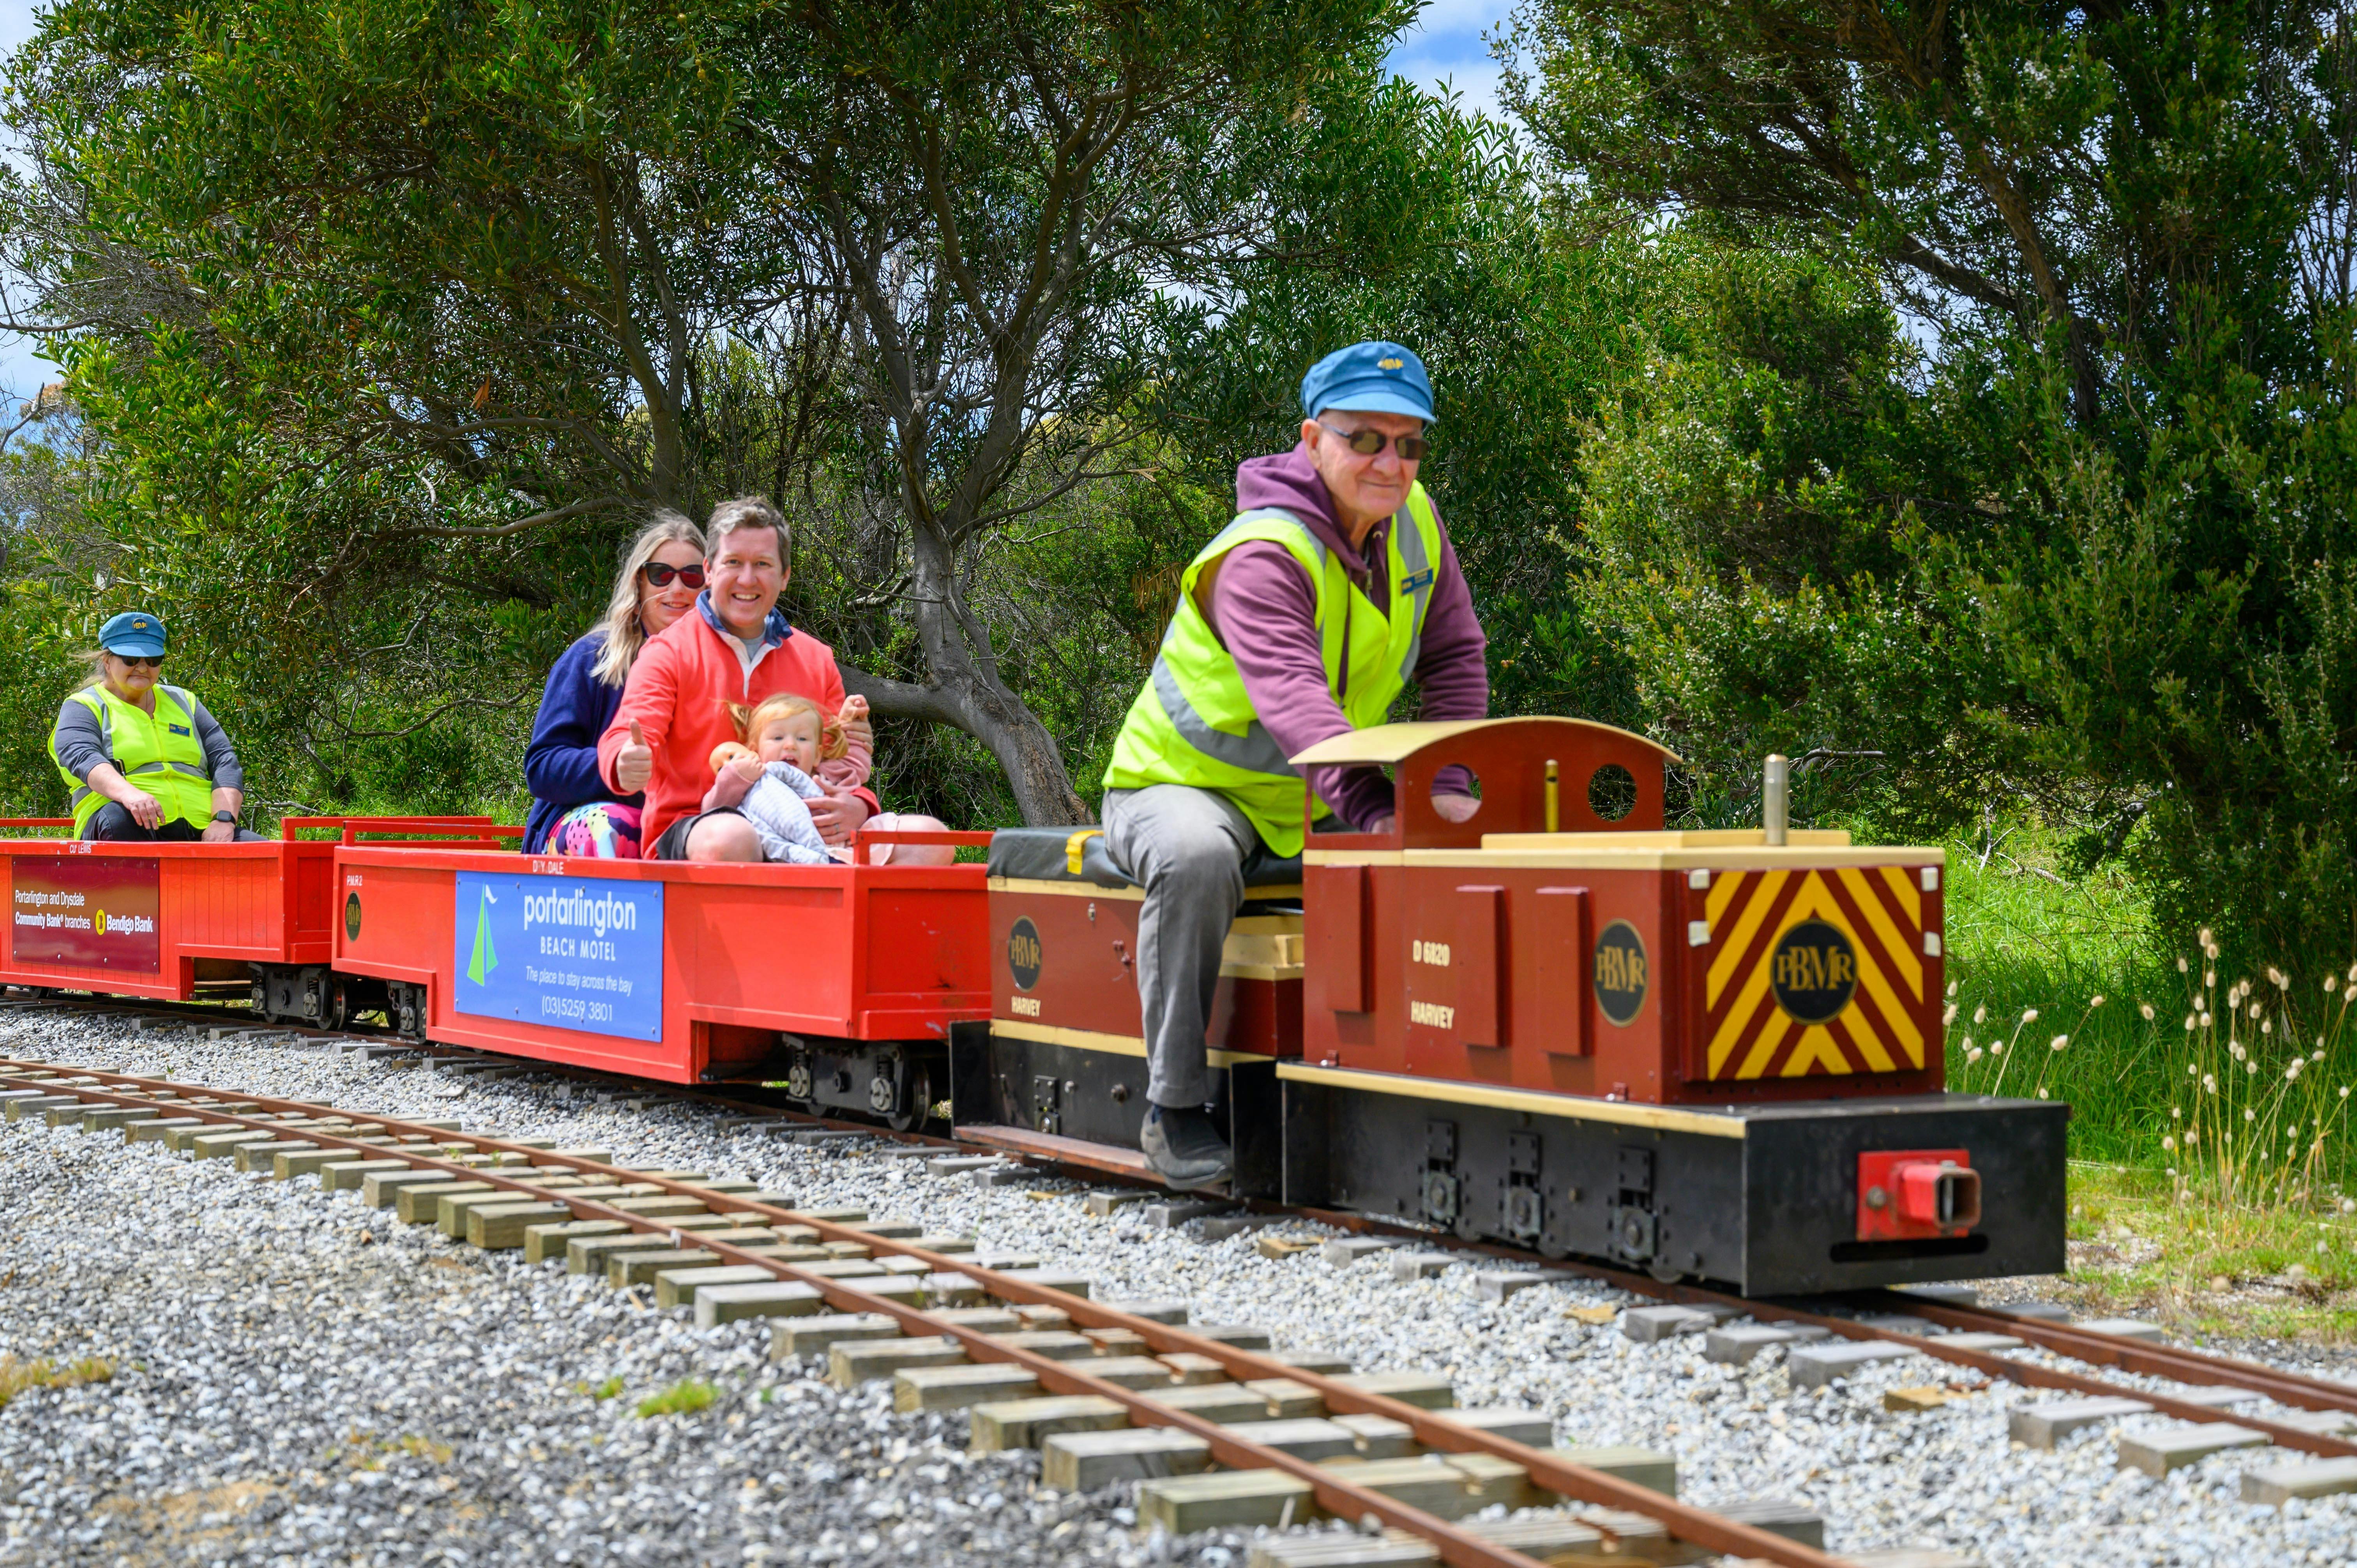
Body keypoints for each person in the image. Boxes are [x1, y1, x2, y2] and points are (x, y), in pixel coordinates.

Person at [1100, 341, 1490, 1188]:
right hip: (1183, 785)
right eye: (1365, 440)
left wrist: (1448, 788)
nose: (1391, 463)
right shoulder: (1263, 553)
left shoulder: (1417, 523)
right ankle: (1172, 1107)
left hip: (1312, 799)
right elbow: (1298, 703)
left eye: (1410, 444)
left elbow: (1456, 654)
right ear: (1313, 438)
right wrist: (1384, 810)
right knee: (1197, 857)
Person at [597, 495, 955, 864]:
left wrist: (858, 807)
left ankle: (844, 921)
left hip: (803, 825)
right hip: (699, 827)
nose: (747, 579)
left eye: (763, 565)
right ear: (709, 570)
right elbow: (626, 735)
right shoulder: (667, 652)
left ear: (784, 576)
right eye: (733, 562)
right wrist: (626, 760)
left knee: (931, 840)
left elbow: (839, 759)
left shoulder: (816, 659)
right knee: (733, 838)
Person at [521, 511, 707, 858]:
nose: (677, 589)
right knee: (616, 827)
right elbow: (542, 766)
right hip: (589, 823)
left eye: (693, 576)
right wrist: (613, 767)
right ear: (639, 582)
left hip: (683, 822)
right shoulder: (593, 658)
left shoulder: (724, 667)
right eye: (661, 575)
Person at [49, 611, 266, 842]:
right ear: (107, 661)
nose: (143, 668)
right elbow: (83, 756)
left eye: (153, 660)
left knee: (263, 855)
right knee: (118, 820)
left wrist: (223, 821)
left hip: (202, 825)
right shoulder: (84, 705)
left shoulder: (185, 701)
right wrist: (129, 795)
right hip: (128, 819)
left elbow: (224, 759)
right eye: (131, 660)